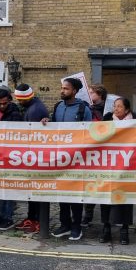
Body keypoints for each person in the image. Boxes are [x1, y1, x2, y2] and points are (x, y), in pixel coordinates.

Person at [42, 77, 92, 241]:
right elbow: (54, 126)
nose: (62, 91)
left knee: (75, 194)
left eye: (66, 89)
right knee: (61, 192)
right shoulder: (58, 106)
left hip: (77, 159)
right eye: (62, 88)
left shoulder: (83, 109)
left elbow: (91, 133)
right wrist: (47, 122)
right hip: (60, 157)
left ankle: (76, 226)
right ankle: (65, 224)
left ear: (74, 91)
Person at [99, 97, 135, 244]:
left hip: (127, 165)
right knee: (105, 196)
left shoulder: (135, 121)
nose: (116, 109)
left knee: (126, 198)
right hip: (109, 163)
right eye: (115, 106)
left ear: (127, 109)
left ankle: (124, 230)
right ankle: (106, 228)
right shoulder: (107, 118)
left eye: (119, 107)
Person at [14, 83, 49, 233]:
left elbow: (33, 136)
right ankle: (32, 218)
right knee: (32, 191)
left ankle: (37, 221)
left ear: (27, 97)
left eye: (21, 100)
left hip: (35, 156)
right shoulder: (33, 106)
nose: (19, 102)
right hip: (33, 155)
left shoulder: (35, 110)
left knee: (35, 192)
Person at [0, 87, 24, 230]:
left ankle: (8, 217)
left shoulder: (15, 114)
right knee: (0, 187)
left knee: (9, 188)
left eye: (4, 103)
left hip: (11, 156)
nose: (1, 106)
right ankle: (2, 214)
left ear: (9, 101)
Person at [82, 83, 108, 226]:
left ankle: (106, 218)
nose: (89, 95)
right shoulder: (88, 109)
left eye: (92, 93)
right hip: (90, 151)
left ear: (100, 95)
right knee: (90, 183)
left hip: (103, 151)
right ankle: (88, 214)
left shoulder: (107, 110)